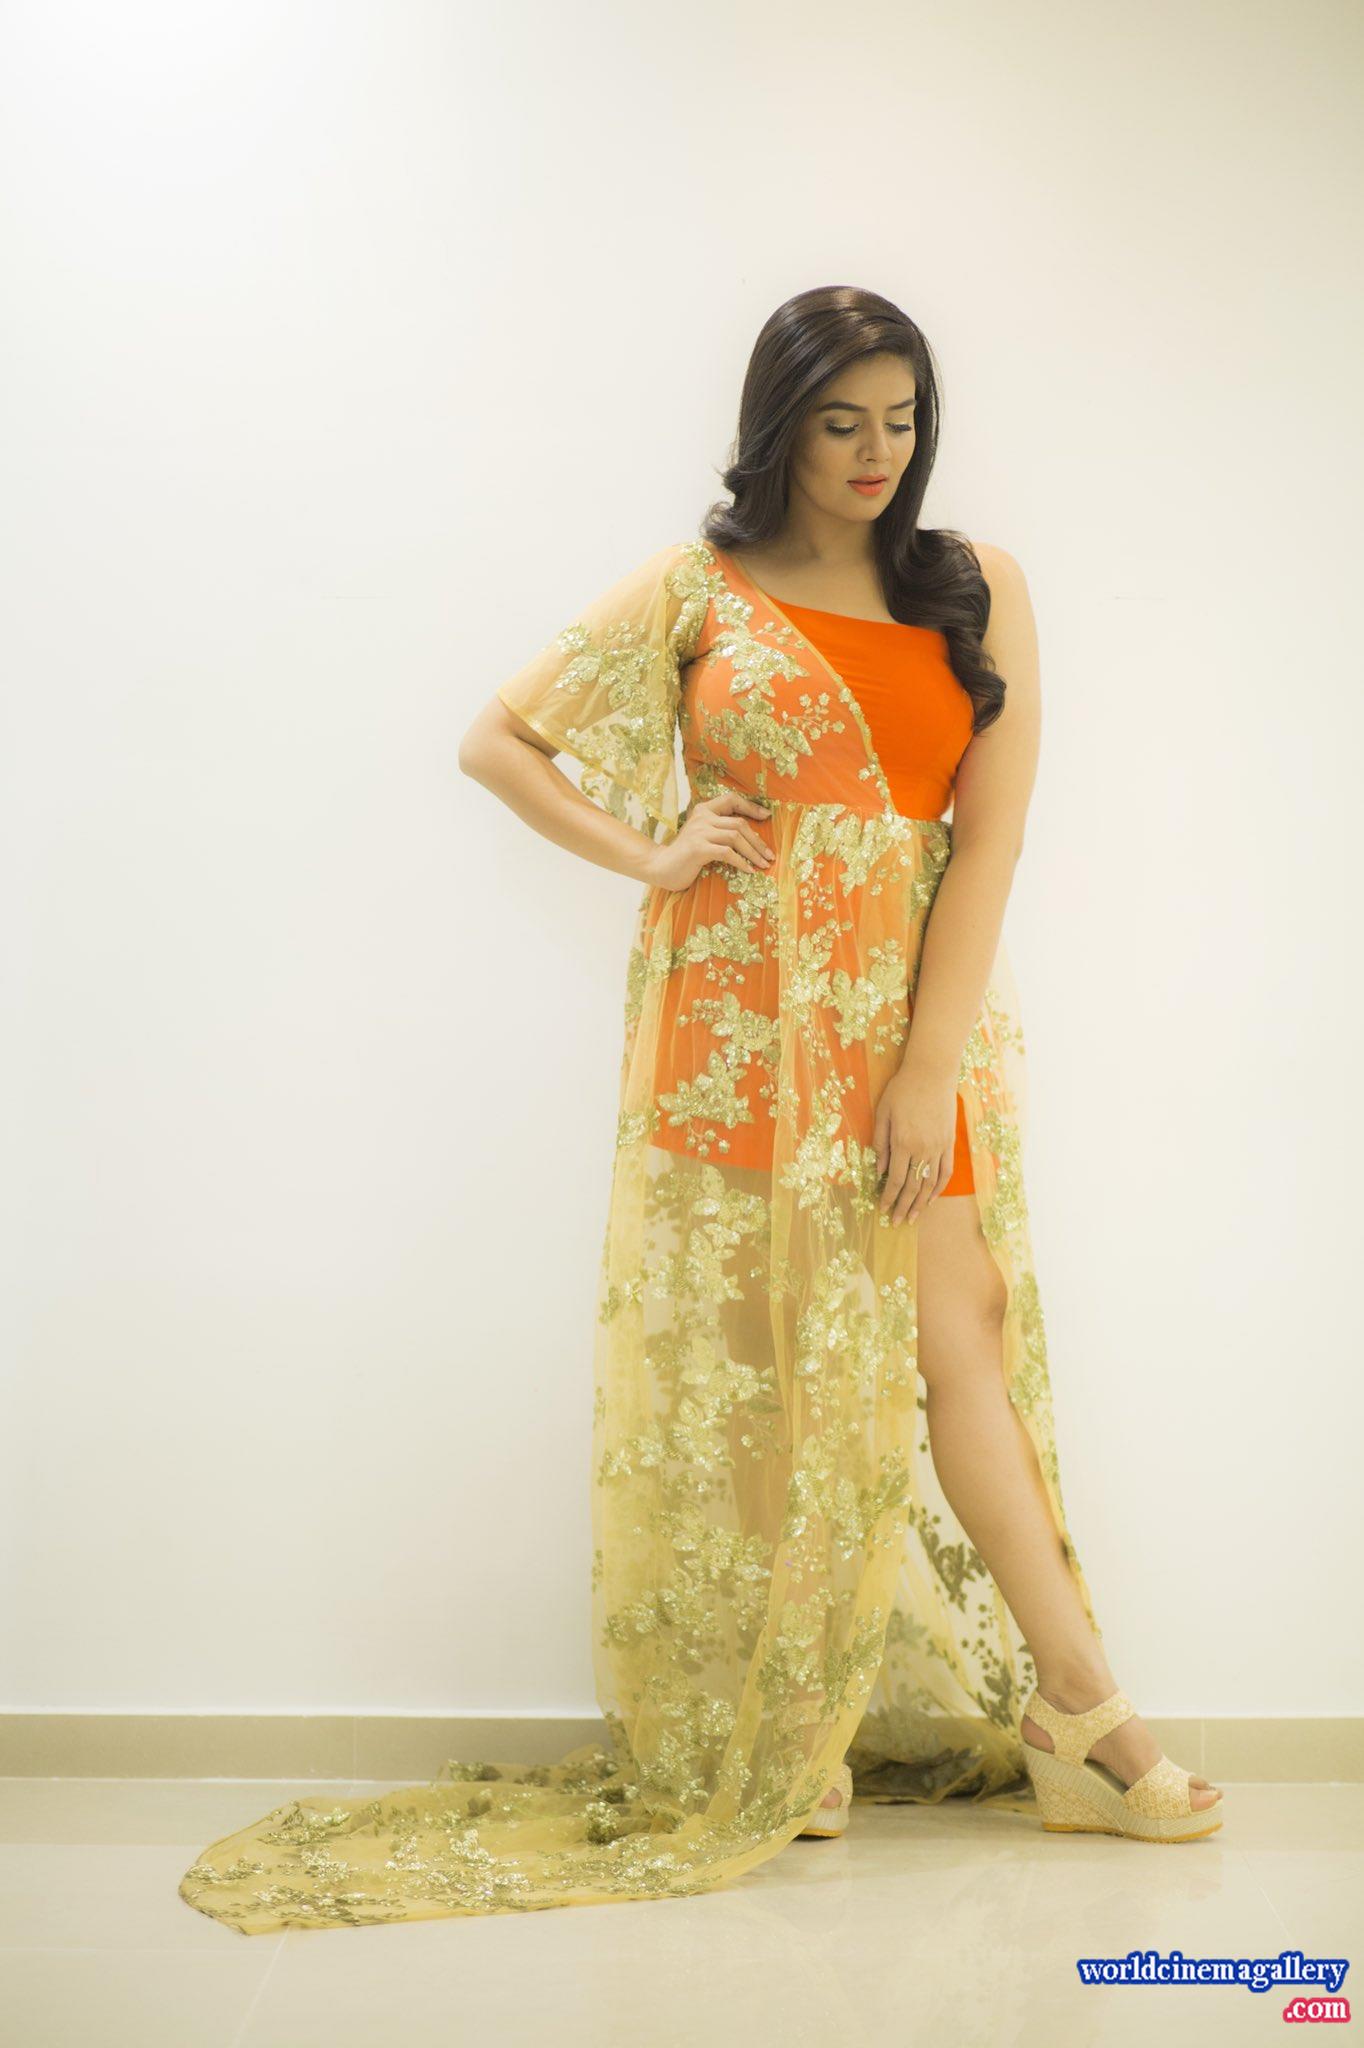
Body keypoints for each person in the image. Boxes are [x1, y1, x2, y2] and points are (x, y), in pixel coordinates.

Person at [178, 285, 1220, 1937]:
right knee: (766, 1374)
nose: (877, 455)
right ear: (778, 426)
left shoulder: (977, 587)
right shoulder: (697, 587)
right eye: (841, 423)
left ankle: (1081, 1712)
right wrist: (653, 853)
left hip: (906, 1031)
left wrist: (926, 1066)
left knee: (960, 1339)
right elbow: (498, 742)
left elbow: (993, 843)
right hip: (736, 1026)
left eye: (901, 421)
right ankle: (787, 1732)